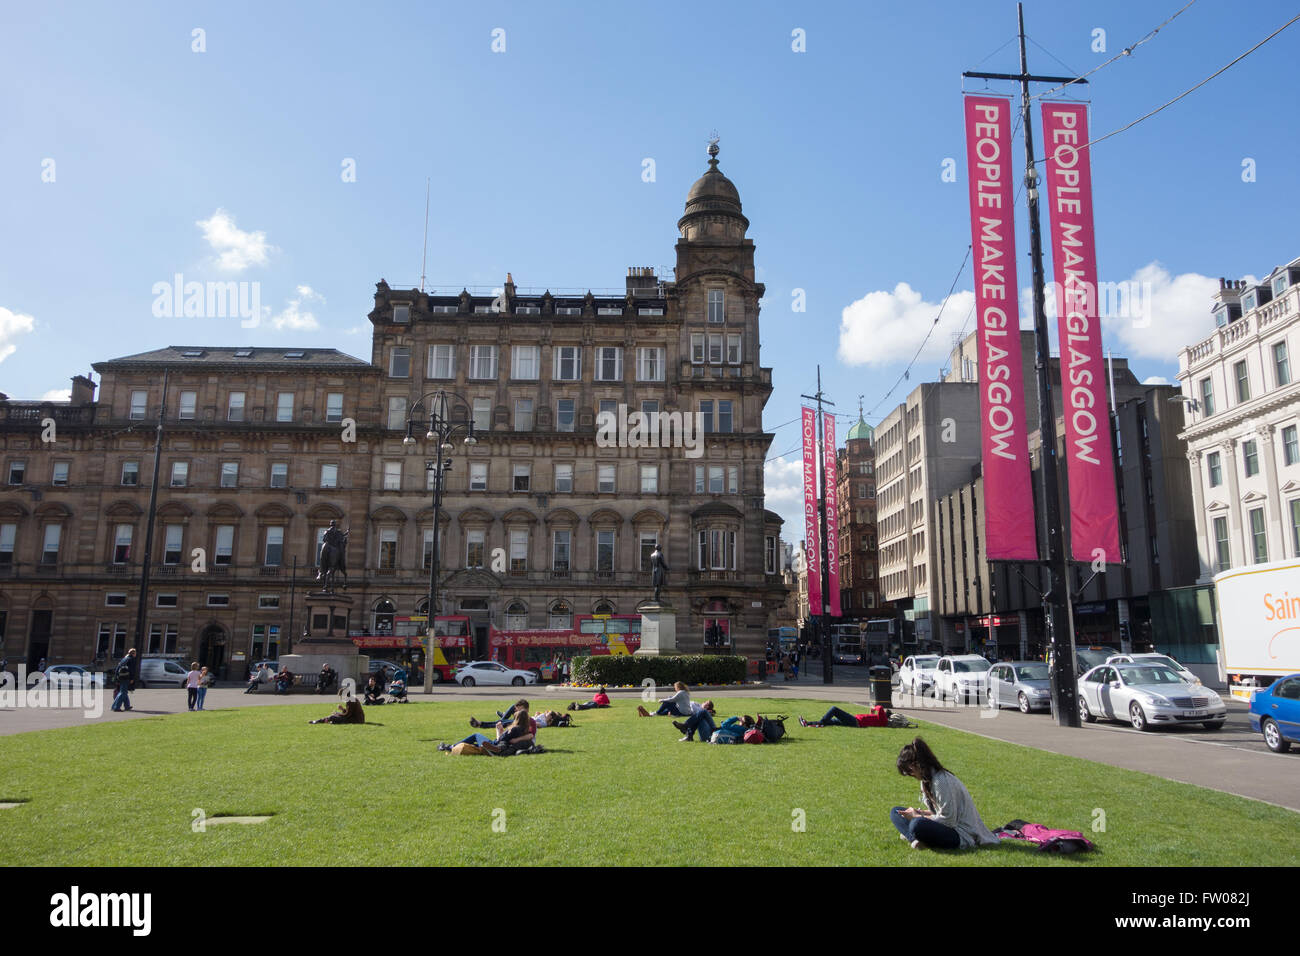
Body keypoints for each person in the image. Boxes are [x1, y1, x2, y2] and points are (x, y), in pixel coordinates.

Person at [890, 737, 999, 851]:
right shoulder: (926, 779)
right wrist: (920, 812)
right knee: (896, 811)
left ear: (917, 764)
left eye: (909, 771)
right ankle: (916, 839)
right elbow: (937, 812)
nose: (910, 775)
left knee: (917, 824)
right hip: (946, 824)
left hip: (960, 833)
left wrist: (917, 816)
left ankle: (913, 835)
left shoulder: (941, 781)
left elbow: (949, 821)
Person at [440, 706, 534, 754]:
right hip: (502, 744)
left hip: (497, 744)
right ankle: (449, 747)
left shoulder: (514, 729)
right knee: (475, 745)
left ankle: (451, 746)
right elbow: (529, 736)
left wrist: (498, 730)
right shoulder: (525, 729)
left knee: (476, 735)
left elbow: (499, 740)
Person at [799, 705, 891, 728]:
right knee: (831, 722)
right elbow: (871, 719)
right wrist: (872, 712)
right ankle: (807, 723)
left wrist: (874, 708)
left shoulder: (883, 720)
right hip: (855, 722)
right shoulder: (879, 720)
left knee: (834, 709)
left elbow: (880, 707)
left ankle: (821, 722)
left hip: (855, 722)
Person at [110, 648, 138, 712]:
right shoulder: (131, 659)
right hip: (126, 678)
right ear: (133, 653)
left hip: (121, 677)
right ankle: (116, 707)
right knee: (123, 692)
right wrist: (132, 678)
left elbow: (117, 668)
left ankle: (127, 706)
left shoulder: (124, 659)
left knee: (123, 691)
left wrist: (116, 678)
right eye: (135, 653)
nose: (136, 654)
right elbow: (132, 670)